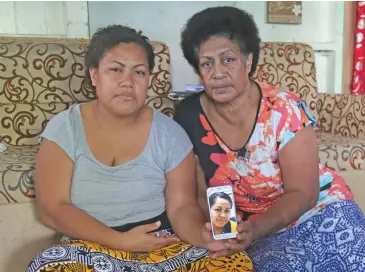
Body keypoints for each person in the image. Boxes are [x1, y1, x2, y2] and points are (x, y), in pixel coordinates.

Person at [26, 25, 253, 272]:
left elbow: (182, 207)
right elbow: (52, 208)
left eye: (139, 72)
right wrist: (121, 241)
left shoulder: (170, 134)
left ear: (149, 81)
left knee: (233, 263)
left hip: (157, 244)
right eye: (115, 70)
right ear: (94, 75)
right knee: (47, 266)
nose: (127, 82)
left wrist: (203, 236)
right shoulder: (65, 127)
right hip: (87, 245)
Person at [174, 6, 365, 271]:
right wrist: (227, 233)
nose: (218, 72)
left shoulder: (284, 109)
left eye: (228, 59)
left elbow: (303, 193)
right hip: (252, 231)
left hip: (319, 212)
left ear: (248, 61)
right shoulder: (190, 115)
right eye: (207, 63)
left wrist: (255, 229)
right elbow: (205, 188)